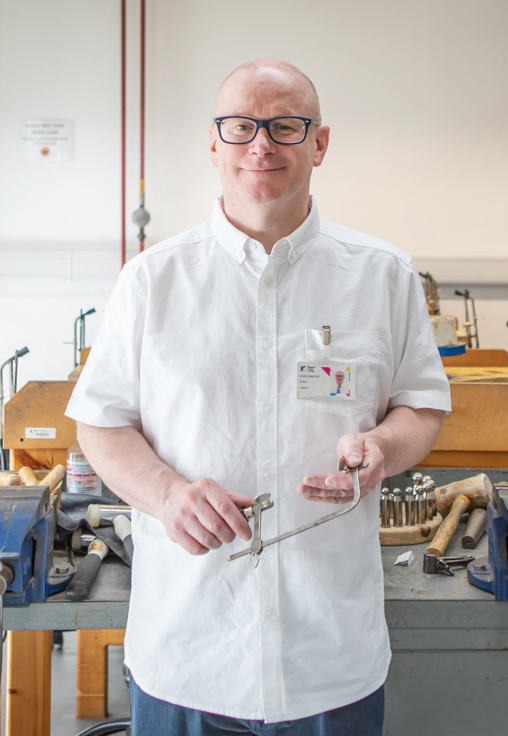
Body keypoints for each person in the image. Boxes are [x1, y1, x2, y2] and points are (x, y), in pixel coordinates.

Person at [66, 58, 451, 736]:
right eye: (241, 126)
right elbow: (101, 424)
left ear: (320, 143)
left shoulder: (381, 275)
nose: (261, 145)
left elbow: (421, 405)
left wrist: (384, 447)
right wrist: (164, 494)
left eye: (284, 126)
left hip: (330, 657)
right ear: (214, 144)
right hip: (187, 653)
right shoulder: (151, 282)